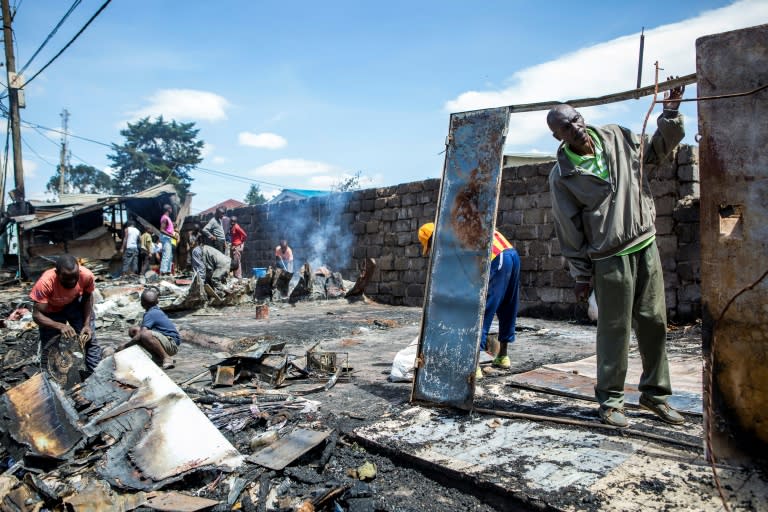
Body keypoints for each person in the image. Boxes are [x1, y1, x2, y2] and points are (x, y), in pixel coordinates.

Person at [546, 79, 686, 428]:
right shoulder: (562, 176)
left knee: (654, 324)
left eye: (576, 119)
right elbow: (570, 230)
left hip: (645, 243)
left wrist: (669, 114)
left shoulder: (617, 136)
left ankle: (656, 396)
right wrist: (581, 275)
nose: (576, 128)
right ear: (557, 136)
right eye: (566, 127)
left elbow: (656, 153)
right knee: (614, 330)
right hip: (609, 257)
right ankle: (610, 402)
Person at [417, 222, 520, 379]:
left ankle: (474, 365)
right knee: (507, 305)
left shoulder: (449, 240)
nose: (433, 252)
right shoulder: (457, 227)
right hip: (510, 253)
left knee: (481, 310)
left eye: (430, 247)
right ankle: (502, 356)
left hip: (494, 256)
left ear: (433, 239)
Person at [30, 254, 102, 372]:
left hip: (74, 305)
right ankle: (52, 378)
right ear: (57, 273)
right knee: (50, 346)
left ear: (78, 270)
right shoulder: (45, 283)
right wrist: (59, 325)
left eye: (75, 277)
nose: (72, 281)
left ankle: (95, 374)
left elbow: (87, 299)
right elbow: (37, 315)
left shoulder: (86, 276)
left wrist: (87, 324)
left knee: (89, 339)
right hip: (51, 311)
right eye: (67, 278)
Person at [117, 288, 180, 369]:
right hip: (167, 342)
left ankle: (166, 357)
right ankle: (157, 357)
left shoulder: (151, 314)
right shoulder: (154, 311)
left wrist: (125, 346)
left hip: (171, 345)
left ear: (142, 304)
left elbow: (142, 333)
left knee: (145, 334)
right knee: (134, 330)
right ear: (157, 302)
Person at [159, 204, 175, 275]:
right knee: (166, 255)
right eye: (171, 208)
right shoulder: (165, 218)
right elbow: (162, 230)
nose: (172, 210)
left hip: (168, 238)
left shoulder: (167, 218)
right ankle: (163, 272)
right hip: (166, 238)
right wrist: (172, 236)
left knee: (170, 255)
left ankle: (168, 271)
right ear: (168, 209)